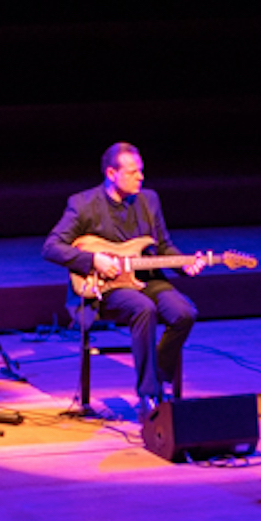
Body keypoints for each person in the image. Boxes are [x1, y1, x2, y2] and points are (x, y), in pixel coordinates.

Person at [42, 143, 204, 419]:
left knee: (184, 312)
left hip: (146, 280)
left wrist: (184, 264)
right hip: (107, 288)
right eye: (132, 172)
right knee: (144, 309)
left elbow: (164, 245)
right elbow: (51, 247)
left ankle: (157, 374)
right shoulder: (82, 204)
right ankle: (149, 395)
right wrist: (94, 261)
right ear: (111, 173)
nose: (140, 177)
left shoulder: (149, 200)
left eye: (141, 171)